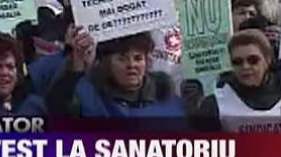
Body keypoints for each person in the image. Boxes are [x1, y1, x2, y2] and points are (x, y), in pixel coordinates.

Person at [47, 29, 187, 120]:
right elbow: (57, 111)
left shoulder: (167, 99)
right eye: (122, 58)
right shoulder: (89, 97)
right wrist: (76, 64)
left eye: (138, 58)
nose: (131, 64)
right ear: (107, 62)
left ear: (147, 61)